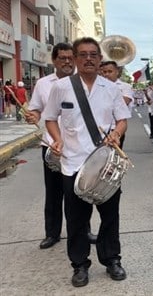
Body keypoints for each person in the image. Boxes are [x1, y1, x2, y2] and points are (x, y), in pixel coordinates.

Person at [42, 37, 131, 287]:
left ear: (100, 59)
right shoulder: (61, 87)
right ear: (75, 58)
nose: (89, 58)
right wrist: (57, 139)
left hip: (105, 164)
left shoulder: (111, 88)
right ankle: (80, 264)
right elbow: (50, 118)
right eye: (83, 54)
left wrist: (116, 133)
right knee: (77, 219)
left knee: (110, 216)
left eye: (93, 54)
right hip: (73, 163)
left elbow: (122, 119)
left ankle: (112, 259)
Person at [24, 42, 74, 249]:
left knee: (78, 191)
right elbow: (36, 109)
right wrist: (32, 115)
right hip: (52, 145)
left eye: (70, 58)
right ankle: (52, 233)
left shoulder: (82, 82)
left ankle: (82, 230)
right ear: (54, 60)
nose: (67, 62)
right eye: (62, 58)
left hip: (78, 147)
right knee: (53, 191)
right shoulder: (43, 84)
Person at [100, 60, 133, 149]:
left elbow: (125, 102)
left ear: (117, 72)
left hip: (116, 127)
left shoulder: (125, 86)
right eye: (104, 72)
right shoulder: (98, 85)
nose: (106, 74)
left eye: (110, 71)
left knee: (114, 156)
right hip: (100, 127)